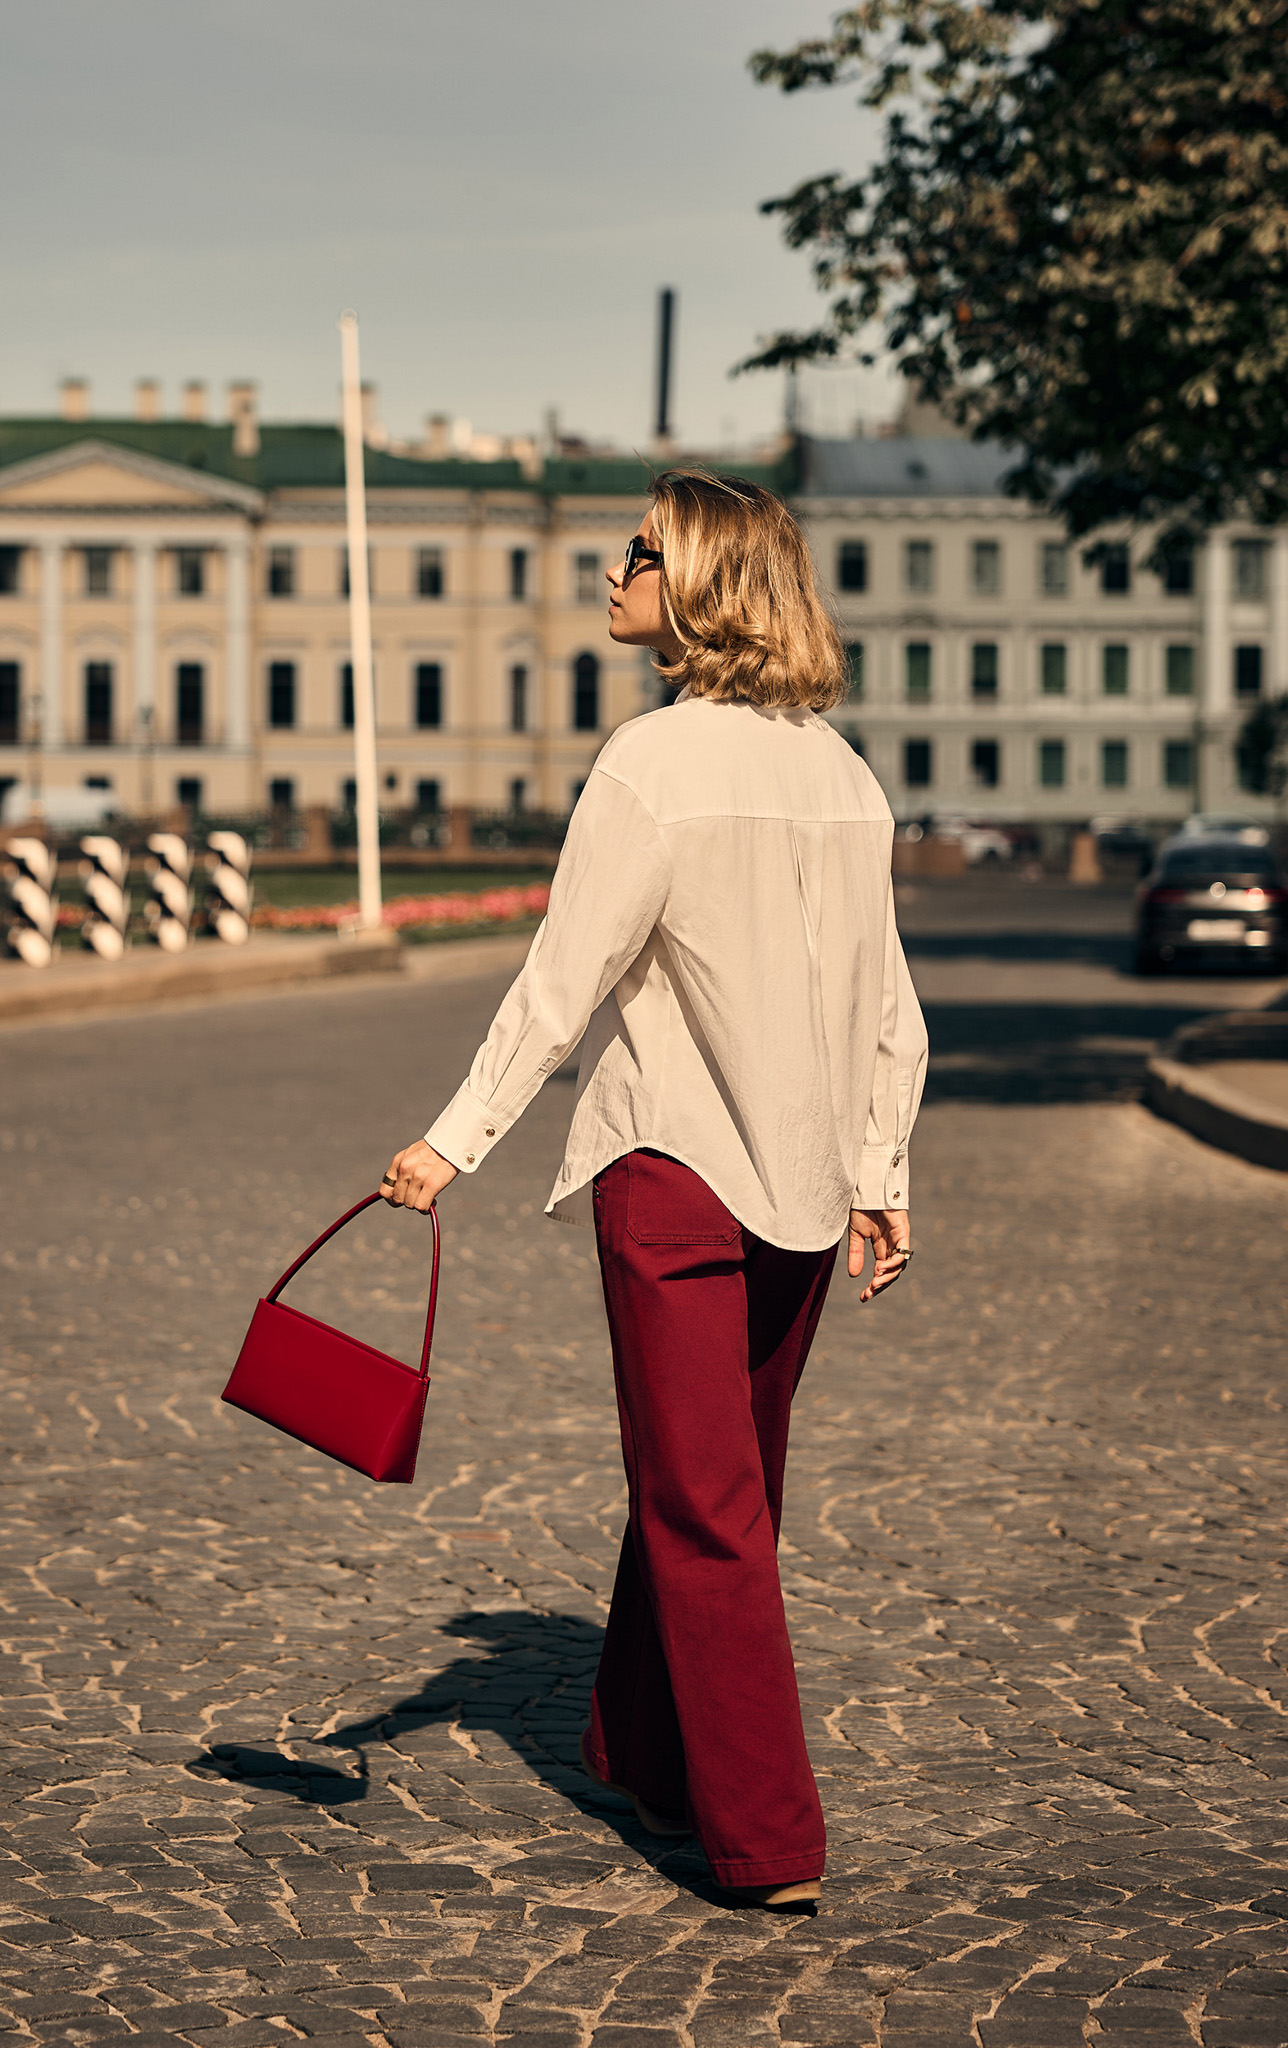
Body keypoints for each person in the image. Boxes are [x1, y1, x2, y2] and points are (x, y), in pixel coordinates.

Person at [378, 469, 927, 1913]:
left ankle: (764, 1840)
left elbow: (564, 980)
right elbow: (893, 1005)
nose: (610, 576)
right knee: (720, 1485)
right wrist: (882, 1171)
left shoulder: (649, 764)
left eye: (638, 555)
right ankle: (639, 1747)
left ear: (700, 588)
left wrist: (453, 1137)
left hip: (678, 1173)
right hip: (802, 1191)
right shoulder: (847, 777)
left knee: (706, 1509)